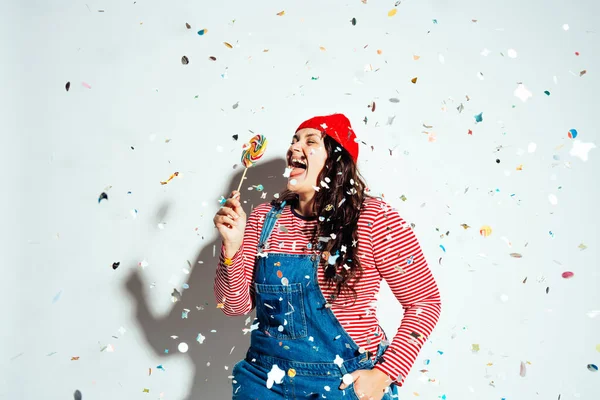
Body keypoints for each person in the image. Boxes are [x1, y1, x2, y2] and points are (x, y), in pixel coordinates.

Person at [213, 113, 442, 400]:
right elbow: (233, 307)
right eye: (294, 141)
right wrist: (231, 248)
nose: (294, 148)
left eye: (310, 141)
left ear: (336, 160)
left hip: (342, 385)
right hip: (263, 382)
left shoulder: (373, 219)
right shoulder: (263, 219)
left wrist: (384, 374)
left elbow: (424, 302)